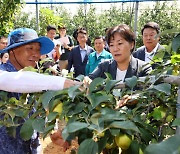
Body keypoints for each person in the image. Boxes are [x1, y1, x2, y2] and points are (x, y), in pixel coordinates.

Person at [0, 28, 80, 154]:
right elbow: (16, 80)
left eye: (38, 50)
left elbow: (33, 115)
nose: (36, 54)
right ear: (13, 50)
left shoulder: (35, 81)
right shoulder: (4, 75)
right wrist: (64, 83)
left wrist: (50, 132)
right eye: (30, 48)